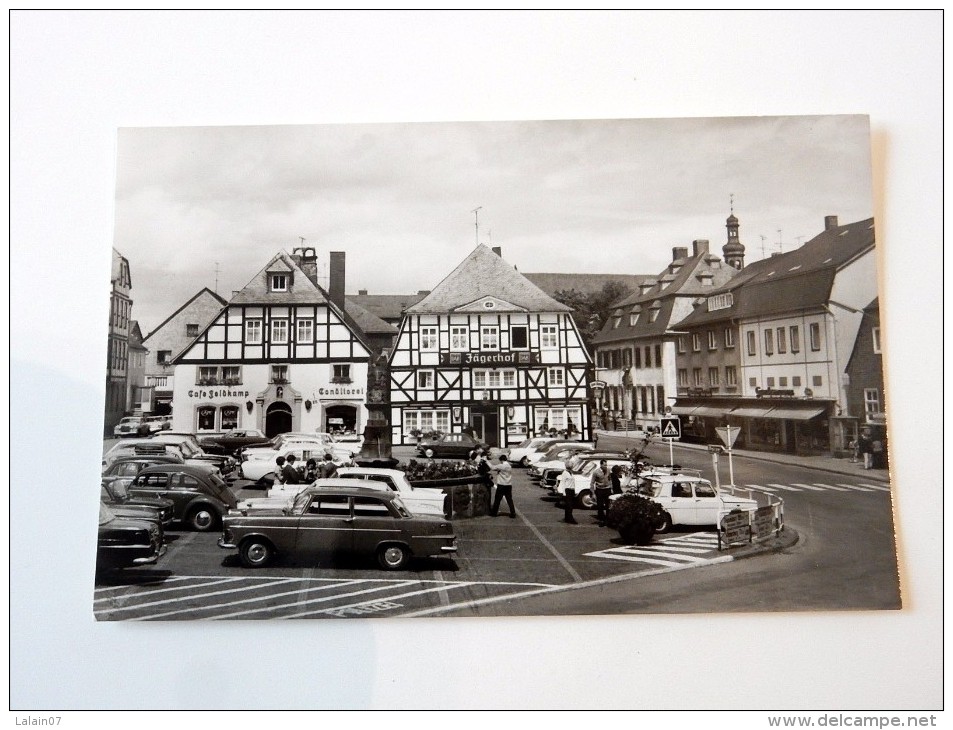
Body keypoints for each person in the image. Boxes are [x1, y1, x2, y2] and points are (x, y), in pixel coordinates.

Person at [488, 453, 515, 518]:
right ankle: (513, 513)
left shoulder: (501, 465)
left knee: (497, 499)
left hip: (501, 485)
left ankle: (494, 513)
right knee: (509, 499)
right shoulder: (509, 466)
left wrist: (486, 461)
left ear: (501, 460)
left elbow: (492, 467)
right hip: (508, 484)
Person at [591, 459, 612, 526]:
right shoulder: (596, 472)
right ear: (601, 465)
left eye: (606, 465)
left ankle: (608, 520)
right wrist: (593, 493)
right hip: (600, 490)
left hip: (607, 489)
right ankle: (602, 520)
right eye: (604, 465)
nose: (605, 466)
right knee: (600, 506)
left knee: (608, 505)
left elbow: (610, 479)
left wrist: (611, 487)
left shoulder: (608, 470)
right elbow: (592, 483)